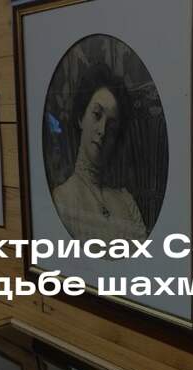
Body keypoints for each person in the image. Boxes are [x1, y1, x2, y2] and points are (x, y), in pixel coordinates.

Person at [51, 63, 147, 242]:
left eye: (112, 126)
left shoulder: (126, 201)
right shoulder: (62, 199)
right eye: (97, 115)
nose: (102, 130)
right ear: (81, 117)